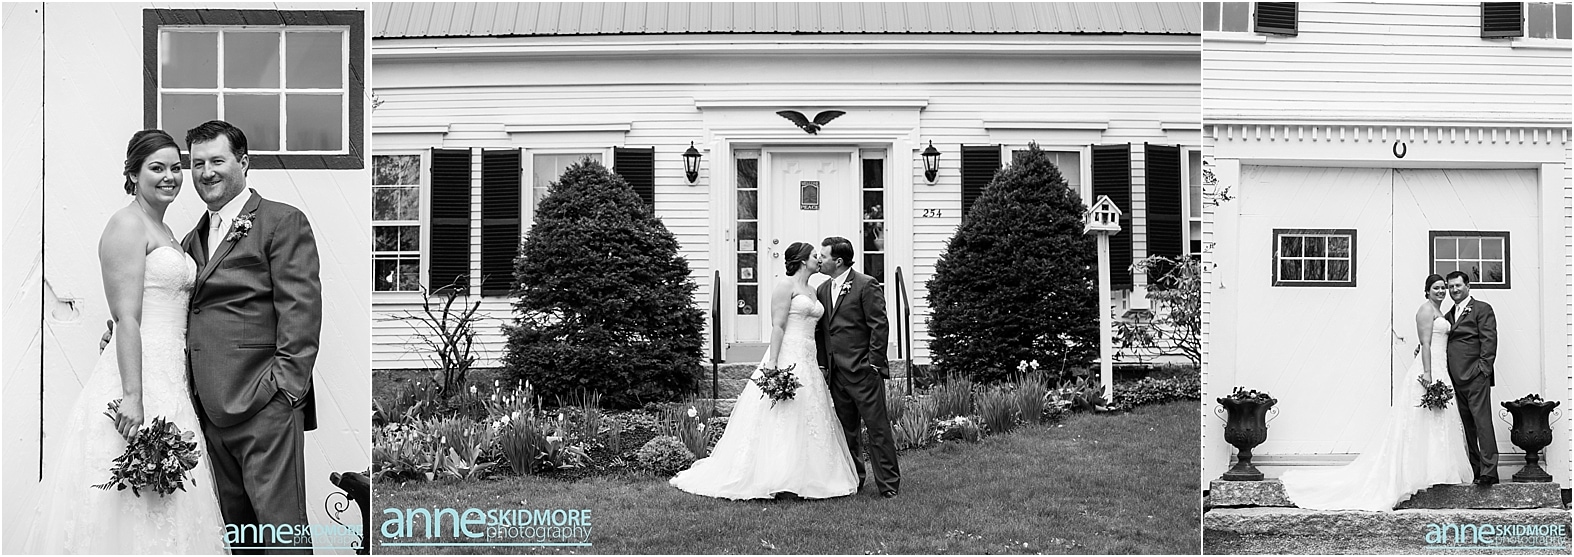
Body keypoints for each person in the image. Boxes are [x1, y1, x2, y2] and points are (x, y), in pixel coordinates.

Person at [22, 130, 228, 553]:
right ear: (133, 174)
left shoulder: (167, 231)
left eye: (176, 168)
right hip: (139, 377)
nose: (170, 176)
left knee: (170, 503)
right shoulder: (126, 224)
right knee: (128, 500)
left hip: (171, 376)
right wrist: (133, 395)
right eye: (157, 168)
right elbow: (127, 317)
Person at [180, 120, 323, 553]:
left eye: (217, 160)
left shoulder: (281, 221)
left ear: (243, 163)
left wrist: (285, 391)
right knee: (238, 538)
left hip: (265, 405)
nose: (206, 172)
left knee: (281, 535)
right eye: (197, 163)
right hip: (210, 411)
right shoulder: (192, 239)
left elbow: (301, 311)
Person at [671, 242, 858, 499]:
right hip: (788, 353)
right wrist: (773, 362)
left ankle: (810, 476)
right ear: (803, 261)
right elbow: (778, 326)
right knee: (783, 414)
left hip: (809, 357)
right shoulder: (785, 286)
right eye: (815, 256)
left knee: (809, 412)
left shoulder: (815, 290)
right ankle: (777, 477)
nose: (819, 259)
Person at [1279, 274, 1474, 511]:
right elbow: (1425, 343)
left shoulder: (1441, 311)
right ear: (1427, 291)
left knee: (1436, 420)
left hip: (1441, 366)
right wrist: (1427, 373)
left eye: (1443, 287)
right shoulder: (1425, 310)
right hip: (1430, 370)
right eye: (1436, 288)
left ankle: (1438, 471)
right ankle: (1415, 474)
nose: (1441, 291)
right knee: (1420, 421)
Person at [815, 236, 900, 498]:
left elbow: (879, 325)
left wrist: (873, 363)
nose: (819, 260)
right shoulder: (822, 290)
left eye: (824, 256)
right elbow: (822, 331)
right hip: (836, 373)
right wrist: (823, 363)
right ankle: (854, 480)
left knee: (877, 429)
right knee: (847, 432)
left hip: (863, 371)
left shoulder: (866, 285)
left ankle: (888, 485)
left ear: (839, 261)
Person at [1443, 271, 1499, 485]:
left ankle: (1489, 471)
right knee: (1467, 426)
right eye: (1451, 287)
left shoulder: (1482, 309)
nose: (1454, 290)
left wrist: (1483, 369)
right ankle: (1475, 468)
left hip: (1476, 376)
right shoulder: (1449, 314)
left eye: (1458, 285)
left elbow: (1489, 340)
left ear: (1468, 286)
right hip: (1455, 378)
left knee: (1482, 423)